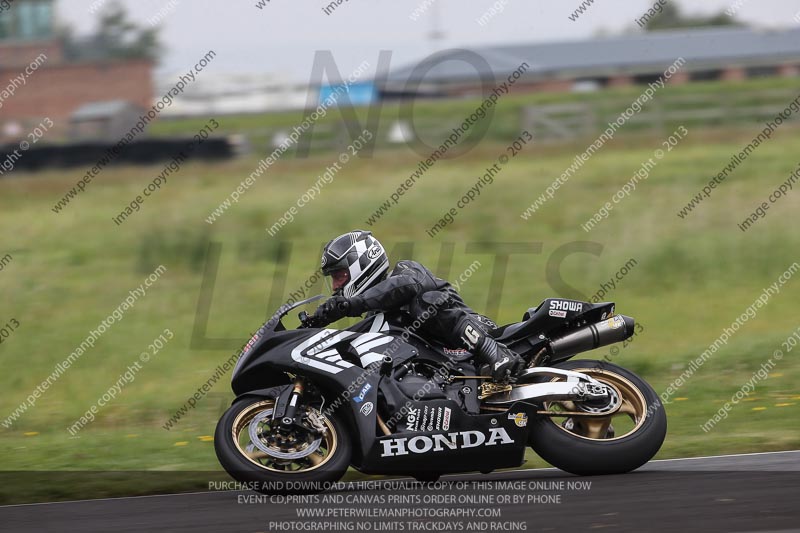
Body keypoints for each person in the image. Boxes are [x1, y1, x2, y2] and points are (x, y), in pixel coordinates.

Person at [310, 230, 524, 382]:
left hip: (475, 334)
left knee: (425, 302)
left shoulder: (405, 271)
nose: (336, 286)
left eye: (340, 275)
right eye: (333, 278)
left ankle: (495, 352)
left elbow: (406, 287)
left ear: (362, 262)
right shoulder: (376, 316)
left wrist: (349, 304)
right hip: (444, 366)